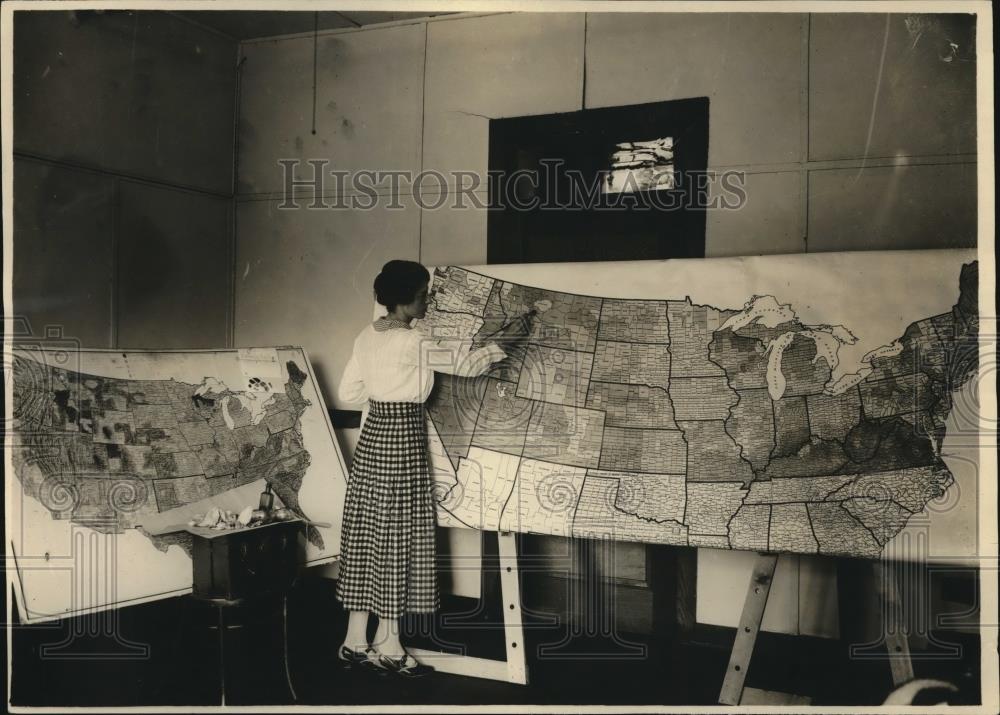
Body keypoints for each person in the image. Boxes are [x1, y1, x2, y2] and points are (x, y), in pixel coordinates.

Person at [335, 260, 507, 678]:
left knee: (366, 531)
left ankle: (355, 641)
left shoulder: (365, 336)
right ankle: (390, 646)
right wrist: (504, 345)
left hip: (374, 434)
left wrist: (386, 389)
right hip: (403, 439)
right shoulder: (415, 341)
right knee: (400, 535)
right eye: (423, 294)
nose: (427, 300)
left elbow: (348, 391)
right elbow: (471, 365)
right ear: (404, 299)